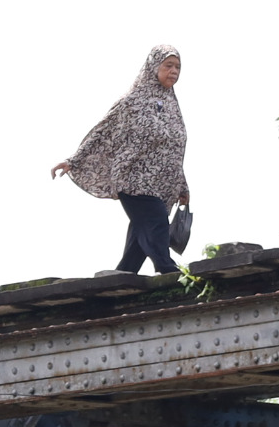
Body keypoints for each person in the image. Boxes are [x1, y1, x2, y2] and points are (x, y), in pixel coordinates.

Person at [52, 45, 189, 274]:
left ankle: (123, 274)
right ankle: (168, 269)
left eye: (178, 67)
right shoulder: (134, 100)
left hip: (161, 183)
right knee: (155, 222)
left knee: (140, 233)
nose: (174, 71)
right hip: (132, 177)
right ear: (154, 66)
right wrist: (74, 160)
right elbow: (104, 129)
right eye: (168, 65)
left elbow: (172, 149)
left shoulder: (172, 105)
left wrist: (181, 185)